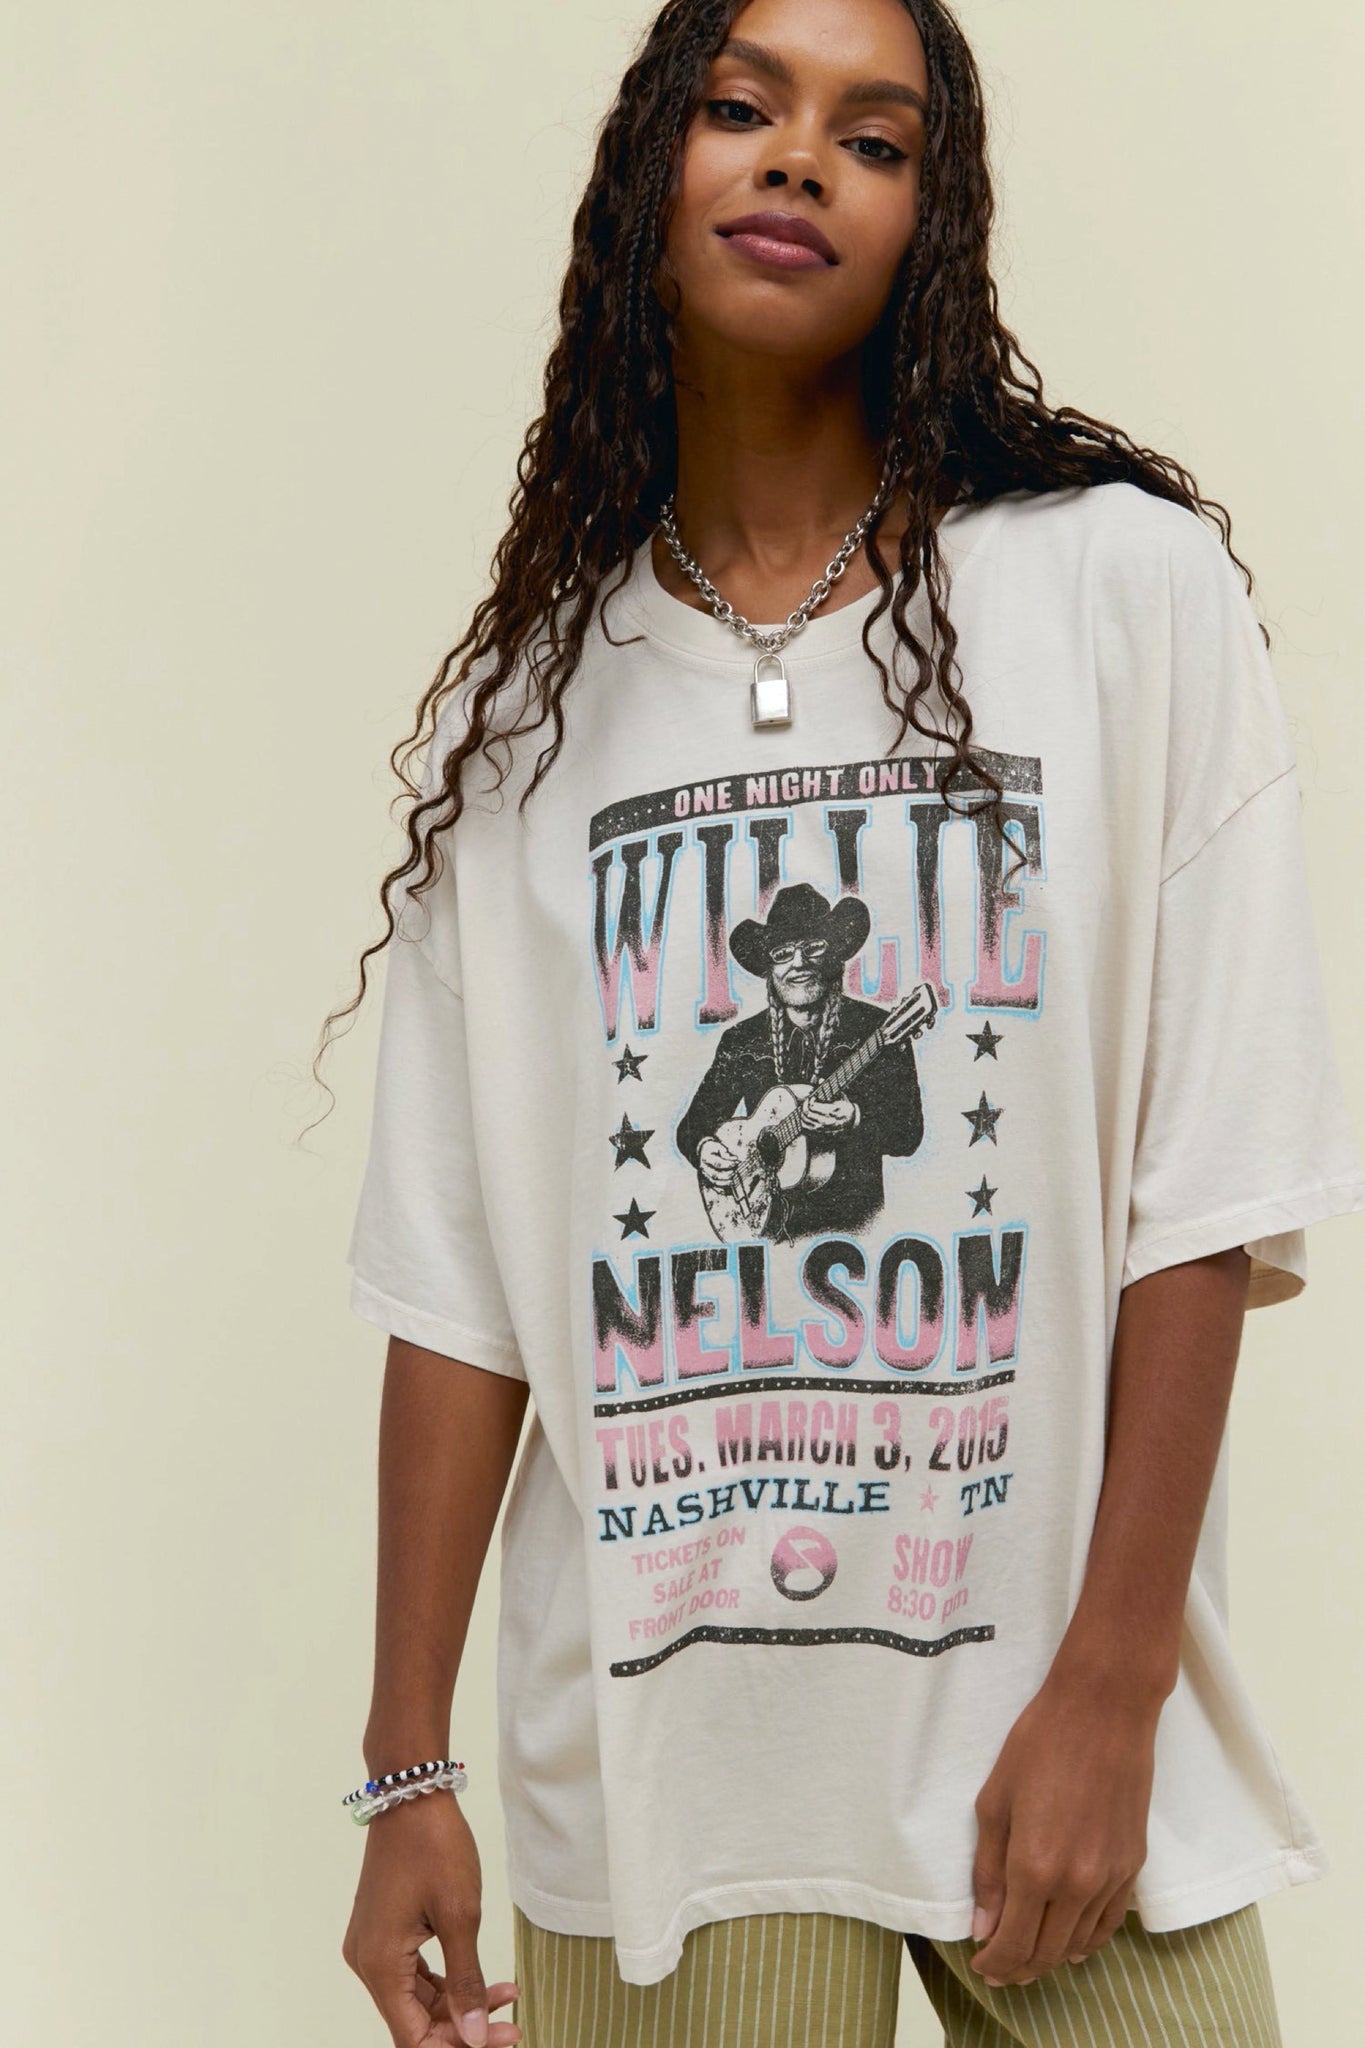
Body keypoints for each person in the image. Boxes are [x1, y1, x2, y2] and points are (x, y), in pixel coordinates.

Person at [321, 0, 1365, 2042]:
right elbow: (456, 1290)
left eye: (873, 139)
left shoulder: (1120, 594)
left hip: (1045, 1720)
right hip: (665, 1766)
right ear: (652, 170)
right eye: (742, 105)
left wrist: (1113, 1685)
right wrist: (401, 1770)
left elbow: (1206, 1189)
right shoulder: (523, 719)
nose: (799, 156)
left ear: (929, 225)